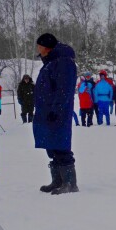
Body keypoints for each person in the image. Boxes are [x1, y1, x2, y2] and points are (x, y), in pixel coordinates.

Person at [33, 33, 78, 194]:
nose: (37, 49)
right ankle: (58, 181)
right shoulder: (51, 62)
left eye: (39, 46)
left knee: (61, 145)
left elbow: (64, 89)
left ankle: (70, 183)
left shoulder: (63, 62)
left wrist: (56, 110)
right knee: (51, 146)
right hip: (47, 111)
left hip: (57, 112)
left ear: (46, 47)